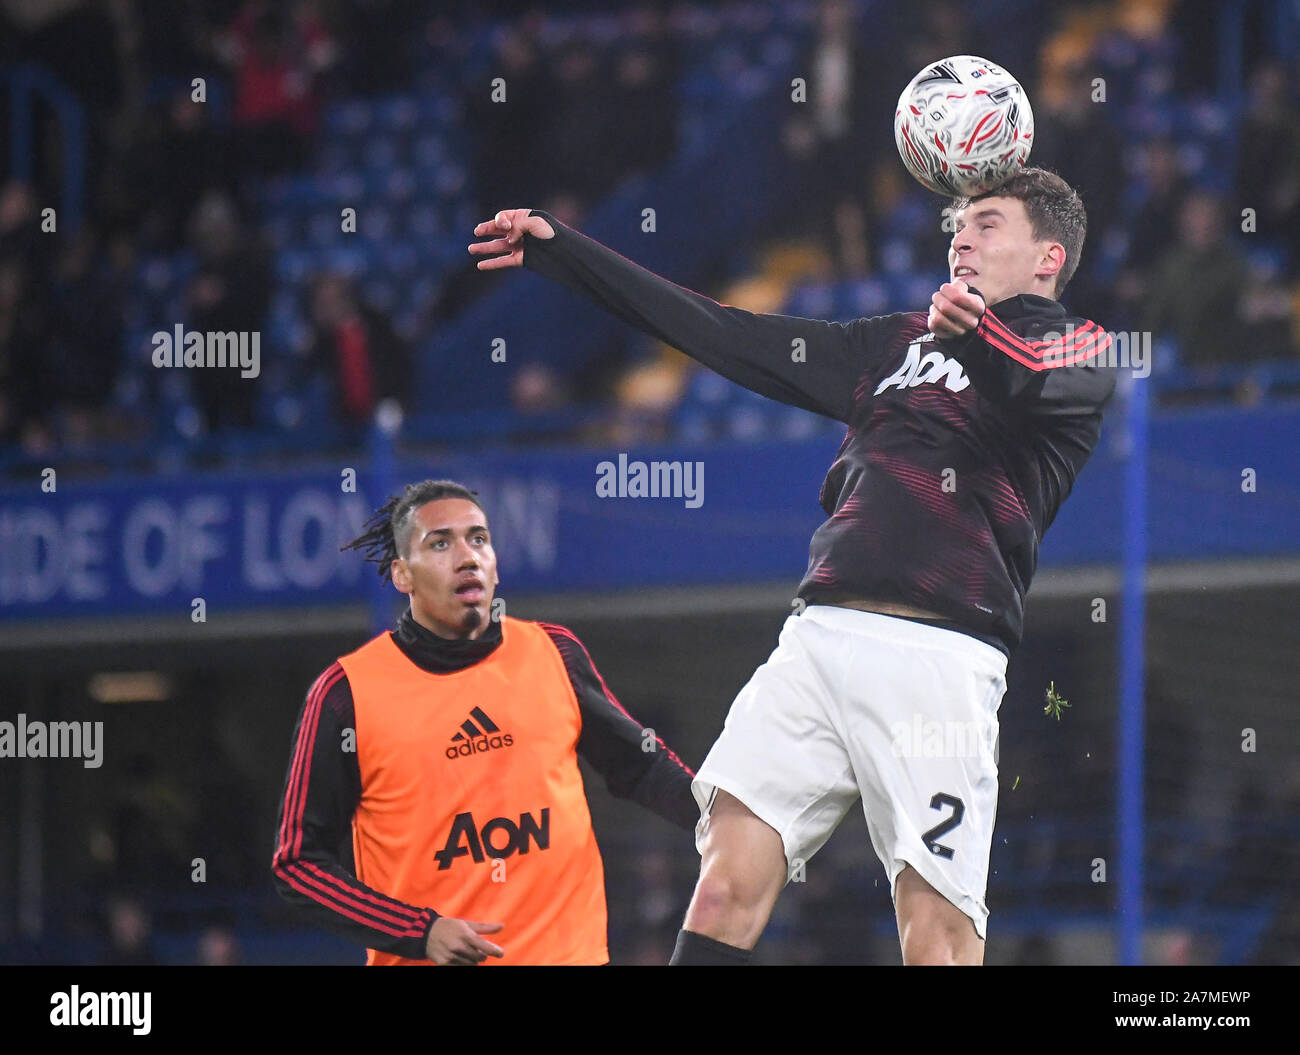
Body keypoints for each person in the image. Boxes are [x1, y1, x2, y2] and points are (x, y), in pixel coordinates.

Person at [469, 167, 1117, 965]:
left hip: (940, 659)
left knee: (938, 938)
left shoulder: (1083, 346)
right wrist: (564, 253)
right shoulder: (891, 341)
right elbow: (722, 332)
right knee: (724, 881)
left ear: (1048, 256)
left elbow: (1032, 380)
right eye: (958, 224)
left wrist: (973, 335)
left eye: (987, 223)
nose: (962, 237)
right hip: (817, 641)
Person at [271, 479, 696, 965]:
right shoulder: (345, 694)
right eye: (440, 543)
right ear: (402, 575)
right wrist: (419, 931)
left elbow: (639, 766)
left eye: (478, 539)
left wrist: (722, 817)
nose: (467, 556)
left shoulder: (554, 653)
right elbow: (299, 865)